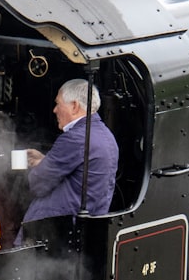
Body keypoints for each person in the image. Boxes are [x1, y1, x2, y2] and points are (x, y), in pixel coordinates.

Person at [17, 79, 118, 241]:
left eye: (58, 104)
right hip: (84, 228)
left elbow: (38, 184)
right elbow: (78, 175)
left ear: (74, 106)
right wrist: (45, 161)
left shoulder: (75, 139)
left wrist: (38, 168)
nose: (54, 110)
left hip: (55, 234)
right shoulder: (106, 136)